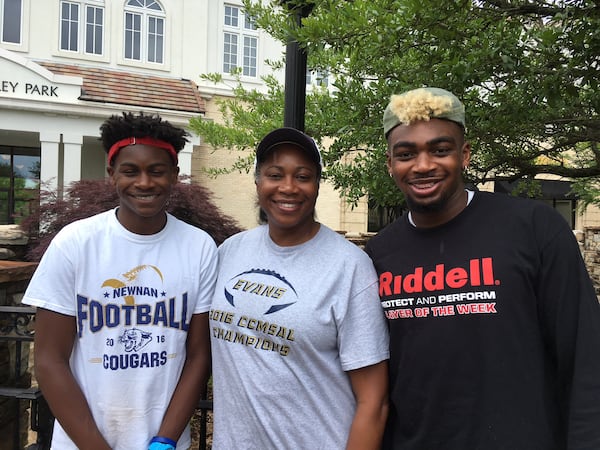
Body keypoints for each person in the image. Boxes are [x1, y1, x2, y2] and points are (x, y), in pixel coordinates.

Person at [365, 87, 600, 449]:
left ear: (465, 155)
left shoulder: (534, 229)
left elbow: (586, 359)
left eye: (440, 150)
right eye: (406, 154)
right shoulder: (377, 254)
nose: (423, 165)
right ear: (390, 164)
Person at [23, 112, 217, 450]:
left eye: (156, 171)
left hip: (165, 442)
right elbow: (49, 359)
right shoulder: (75, 243)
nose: (144, 182)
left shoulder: (199, 247)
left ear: (174, 175)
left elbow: (199, 355)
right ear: (112, 174)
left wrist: (165, 440)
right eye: (130, 171)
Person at [209, 127, 390, 449]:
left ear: (318, 185)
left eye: (303, 176)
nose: (288, 188)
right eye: (275, 175)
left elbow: (373, 402)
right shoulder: (230, 252)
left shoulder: (348, 267)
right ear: (258, 182)